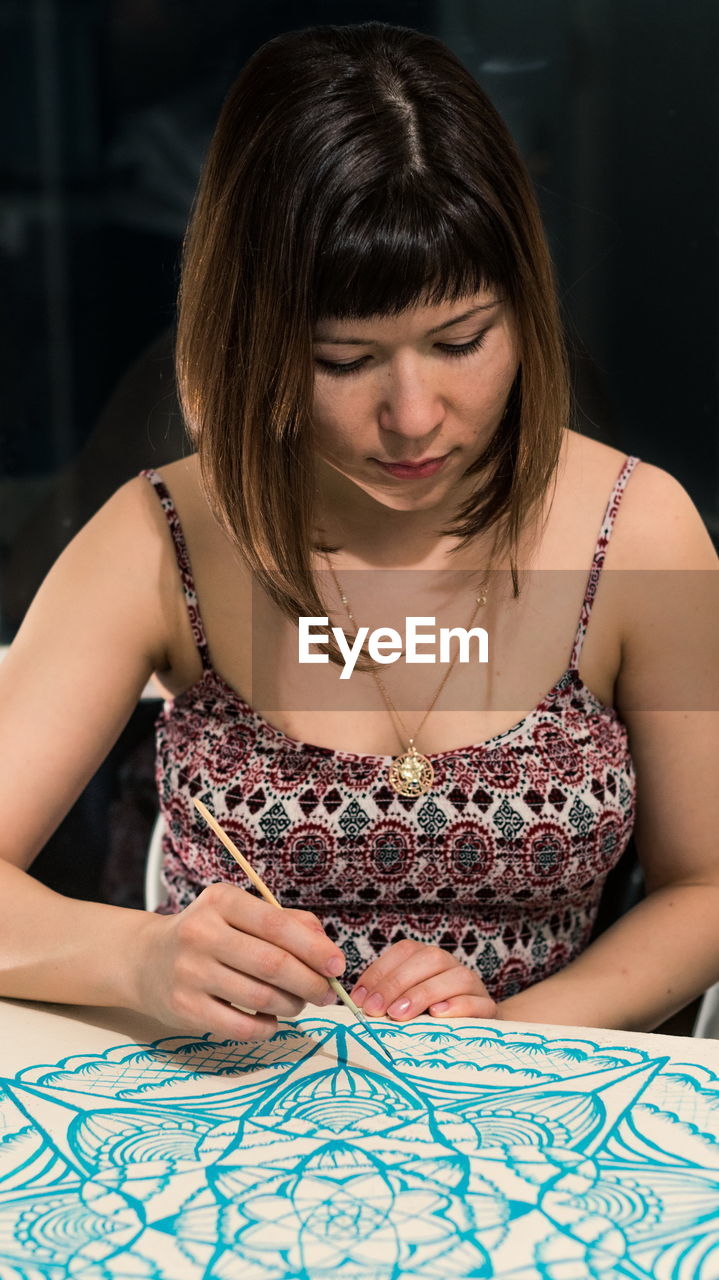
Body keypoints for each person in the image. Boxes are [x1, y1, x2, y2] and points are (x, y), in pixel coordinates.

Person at [1, 22, 717, 1042]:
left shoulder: (635, 533)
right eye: (343, 359)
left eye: (460, 340)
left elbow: (707, 887)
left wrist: (514, 1028)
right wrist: (143, 957)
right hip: (224, 1113)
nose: (414, 415)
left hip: (525, 1111)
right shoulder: (162, 541)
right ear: (249, 338)